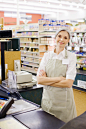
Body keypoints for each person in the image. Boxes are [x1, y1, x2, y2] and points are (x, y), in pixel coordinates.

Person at [37, 28, 77, 123]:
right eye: (59, 36)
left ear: (68, 41)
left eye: (65, 37)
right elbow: (39, 80)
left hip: (64, 102)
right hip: (48, 100)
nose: (62, 40)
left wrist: (47, 80)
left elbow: (68, 83)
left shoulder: (71, 57)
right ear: (55, 38)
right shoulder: (47, 56)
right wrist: (59, 78)